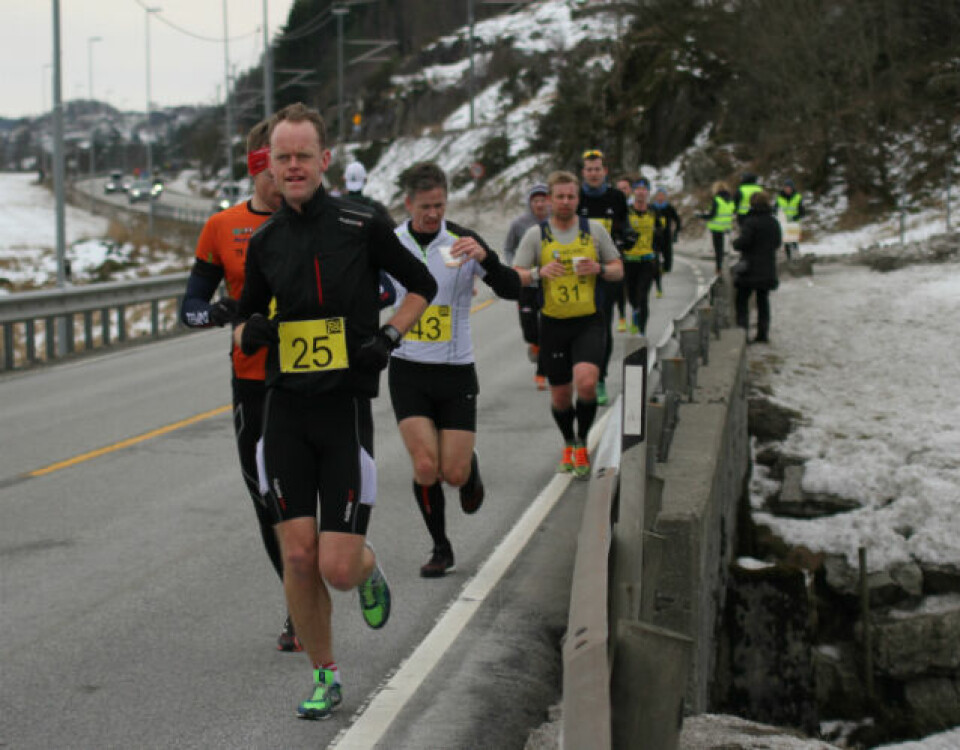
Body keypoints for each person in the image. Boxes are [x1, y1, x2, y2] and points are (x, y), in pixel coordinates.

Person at [233, 102, 437, 721]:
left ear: (324, 160)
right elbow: (243, 324)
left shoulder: (362, 221)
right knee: (297, 554)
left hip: (344, 410)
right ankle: (325, 673)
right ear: (269, 163)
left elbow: (420, 284)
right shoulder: (265, 242)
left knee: (338, 568)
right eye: (281, 157)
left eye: (303, 156)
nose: (292, 167)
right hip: (285, 412)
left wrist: (390, 339)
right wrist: (253, 332)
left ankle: (369, 570)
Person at [179, 119, 299, 651]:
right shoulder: (223, 227)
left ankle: (353, 561)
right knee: (268, 502)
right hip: (252, 382)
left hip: (316, 380)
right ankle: (300, 605)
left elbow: (381, 285)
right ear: (258, 164)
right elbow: (190, 308)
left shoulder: (320, 221)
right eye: (273, 161)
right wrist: (221, 313)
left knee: (313, 500)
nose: (283, 172)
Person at [389, 162, 521, 578]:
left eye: (440, 205)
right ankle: (441, 548)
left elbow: (512, 288)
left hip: (455, 371)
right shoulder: (390, 244)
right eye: (425, 206)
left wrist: (488, 259)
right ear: (408, 203)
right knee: (426, 467)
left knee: (454, 472)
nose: (433, 214)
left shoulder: (463, 241)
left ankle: (470, 469)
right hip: (408, 370)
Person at [513, 170, 624, 479]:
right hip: (553, 325)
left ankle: (583, 441)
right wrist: (538, 273)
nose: (565, 202)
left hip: (589, 321)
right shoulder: (537, 235)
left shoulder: (595, 231)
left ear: (578, 199)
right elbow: (515, 274)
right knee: (561, 396)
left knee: (587, 383)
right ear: (549, 200)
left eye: (570, 196)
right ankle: (569, 442)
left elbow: (618, 269)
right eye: (559, 196)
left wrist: (600, 268)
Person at [577, 149, 631, 406]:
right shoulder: (575, 198)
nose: (594, 173)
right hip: (577, 274)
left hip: (606, 273)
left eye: (597, 169)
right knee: (575, 326)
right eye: (589, 169)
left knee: (601, 327)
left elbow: (624, 225)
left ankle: (598, 379)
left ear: (604, 172)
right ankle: (579, 372)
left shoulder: (617, 197)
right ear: (583, 173)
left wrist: (627, 238)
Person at [504, 182, 550, 390]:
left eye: (543, 200)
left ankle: (542, 373)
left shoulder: (555, 222)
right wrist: (515, 266)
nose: (539, 204)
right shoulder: (519, 224)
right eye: (535, 200)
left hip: (549, 282)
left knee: (546, 327)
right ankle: (535, 344)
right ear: (530, 203)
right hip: (525, 282)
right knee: (529, 330)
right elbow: (508, 248)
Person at [342, 160, 398, 306]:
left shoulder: (333, 206)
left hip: (341, 269)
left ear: (344, 179)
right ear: (365, 180)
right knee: (389, 296)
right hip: (371, 269)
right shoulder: (375, 208)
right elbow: (394, 235)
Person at [732, 190, 781, 344]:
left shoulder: (750, 221)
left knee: (741, 301)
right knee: (763, 301)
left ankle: (742, 333)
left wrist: (735, 243)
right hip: (767, 268)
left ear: (753, 204)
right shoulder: (773, 222)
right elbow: (777, 243)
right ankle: (763, 333)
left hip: (750, 268)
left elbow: (743, 242)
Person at [622, 178, 667, 336]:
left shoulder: (654, 211)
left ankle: (642, 331)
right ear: (634, 192)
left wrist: (658, 253)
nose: (641, 192)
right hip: (628, 261)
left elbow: (661, 233)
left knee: (643, 297)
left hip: (647, 261)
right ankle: (635, 314)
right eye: (638, 189)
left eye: (644, 189)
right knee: (632, 297)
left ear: (648, 192)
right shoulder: (626, 211)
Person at [697, 181, 736, 274]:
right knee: (726, 249)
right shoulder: (731, 200)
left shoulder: (717, 200)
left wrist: (701, 216)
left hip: (716, 227)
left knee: (718, 249)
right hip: (727, 227)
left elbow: (712, 215)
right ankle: (726, 267)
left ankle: (719, 268)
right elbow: (733, 212)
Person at [651, 185, 681, 275]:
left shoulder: (669, 208)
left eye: (662, 195)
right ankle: (654, 267)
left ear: (665, 197)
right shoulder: (652, 208)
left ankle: (666, 268)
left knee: (667, 252)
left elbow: (677, 220)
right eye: (659, 195)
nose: (660, 197)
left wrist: (676, 232)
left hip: (666, 234)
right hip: (655, 234)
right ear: (656, 196)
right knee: (654, 252)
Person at [776, 178, 805, 259]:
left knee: (793, 241)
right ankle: (788, 258)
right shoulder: (779, 198)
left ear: (792, 188)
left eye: (789, 188)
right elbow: (775, 209)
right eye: (786, 187)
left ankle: (796, 257)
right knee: (786, 242)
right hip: (784, 223)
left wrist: (797, 216)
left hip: (794, 223)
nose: (787, 189)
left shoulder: (797, 197)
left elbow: (802, 211)